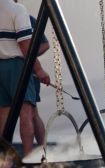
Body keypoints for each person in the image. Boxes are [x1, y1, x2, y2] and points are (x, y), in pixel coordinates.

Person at [0, 0, 50, 156]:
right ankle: (28, 157)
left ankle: (4, 160)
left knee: (3, 115)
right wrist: (39, 69)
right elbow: (25, 45)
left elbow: (43, 44)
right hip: (18, 65)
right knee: (26, 112)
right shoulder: (17, 9)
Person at [29, 15, 49, 147]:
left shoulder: (27, 18)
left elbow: (45, 44)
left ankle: (43, 149)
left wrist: (28, 54)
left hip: (28, 72)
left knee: (31, 113)